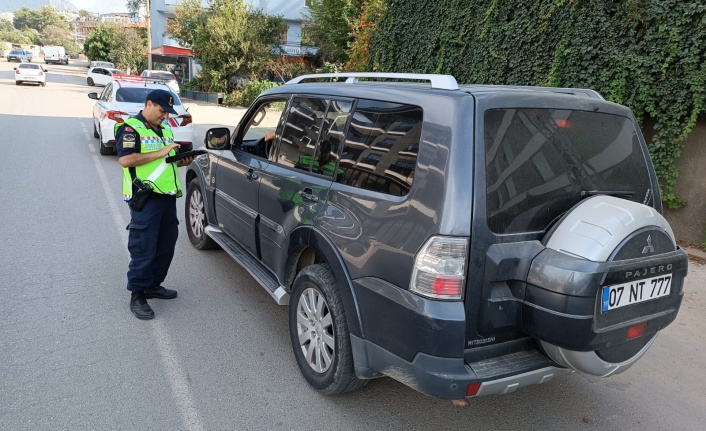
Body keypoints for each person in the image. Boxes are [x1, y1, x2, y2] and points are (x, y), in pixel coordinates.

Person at [115, 89, 195, 320]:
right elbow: (126, 159)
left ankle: (153, 284)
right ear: (149, 104)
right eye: (161, 111)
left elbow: (165, 163)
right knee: (144, 246)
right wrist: (162, 152)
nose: (165, 116)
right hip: (145, 197)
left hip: (166, 196)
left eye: (168, 112)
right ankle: (137, 294)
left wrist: (182, 161)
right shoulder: (131, 128)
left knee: (165, 244)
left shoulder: (165, 129)